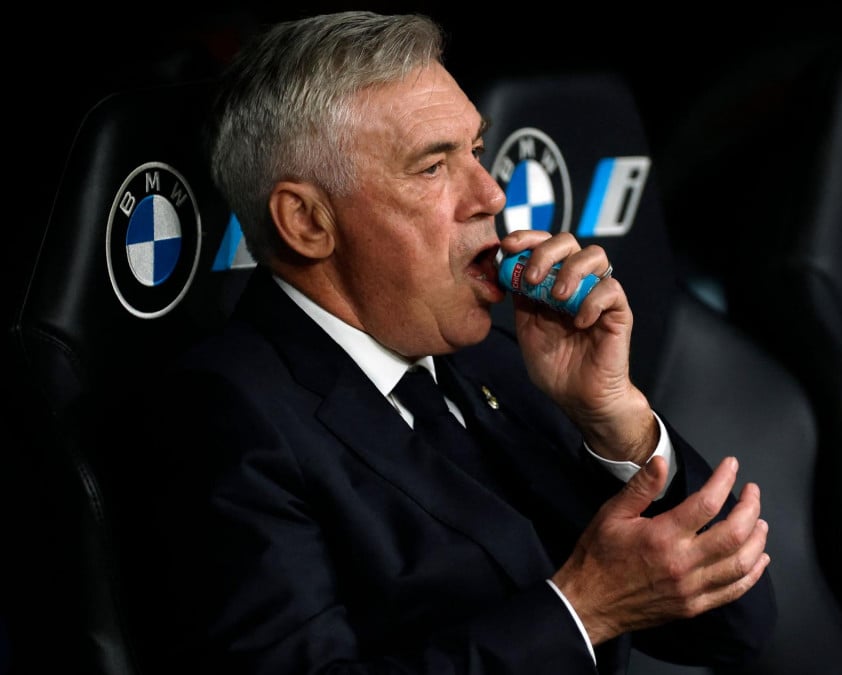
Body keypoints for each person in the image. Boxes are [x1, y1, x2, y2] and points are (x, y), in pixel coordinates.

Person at [137, 10, 776, 675]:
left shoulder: (499, 359)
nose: (492, 193)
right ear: (307, 222)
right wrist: (584, 610)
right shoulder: (225, 414)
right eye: (432, 167)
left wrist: (615, 419)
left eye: (475, 149)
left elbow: (735, 626)